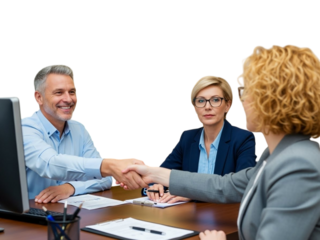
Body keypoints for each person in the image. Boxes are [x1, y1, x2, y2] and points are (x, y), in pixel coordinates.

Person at [121, 44, 320, 240]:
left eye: (243, 91)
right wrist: (153, 173)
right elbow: (224, 186)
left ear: (270, 99)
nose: (240, 100)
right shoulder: (274, 155)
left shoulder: (298, 164)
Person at [22, 64, 148, 203]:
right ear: (38, 97)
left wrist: (70, 188)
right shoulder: (24, 128)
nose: (69, 99)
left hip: (68, 212)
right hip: (28, 216)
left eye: (72, 92)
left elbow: (105, 178)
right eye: (59, 92)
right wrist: (108, 166)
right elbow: (50, 164)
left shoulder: (79, 128)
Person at [147, 75, 257, 203]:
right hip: (190, 217)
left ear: (228, 105)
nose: (207, 107)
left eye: (215, 100)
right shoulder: (187, 138)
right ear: (194, 108)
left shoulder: (243, 139)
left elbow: (244, 188)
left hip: (225, 217)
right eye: (201, 101)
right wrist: (156, 185)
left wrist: (194, 193)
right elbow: (162, 172)